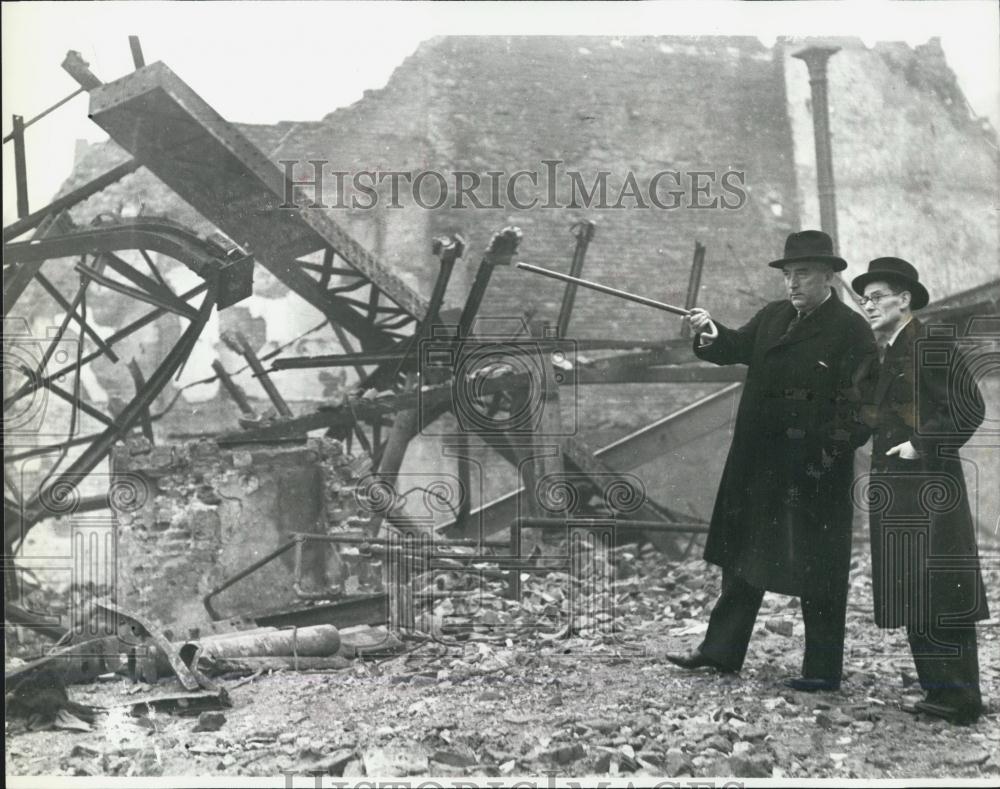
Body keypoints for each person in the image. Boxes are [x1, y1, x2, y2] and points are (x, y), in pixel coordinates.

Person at [667, 229, 876, 691]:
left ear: (827, 277)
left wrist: (826, 455)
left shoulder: (851, 329)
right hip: (758, 467)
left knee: (819, 568)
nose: (792, 283)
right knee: (742, 556)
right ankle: (720, 652)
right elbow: (733, 347)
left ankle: (822, 671)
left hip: (813, 473)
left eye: (802, 274)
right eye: (788, 274)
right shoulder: (773, 317)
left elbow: (864, 409)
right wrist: (708, 329)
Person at [853, 257, 988, 725]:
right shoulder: (885, 350)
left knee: (943, 587)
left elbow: (970, 406)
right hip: (895, 488)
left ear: (904, 298)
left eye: (876, 297)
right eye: (864, 299)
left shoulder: (930, 342)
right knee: (912, 585)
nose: (868, 306)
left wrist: (921, 444)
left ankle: (960, 697)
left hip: (931, 486)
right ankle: (940, 691)